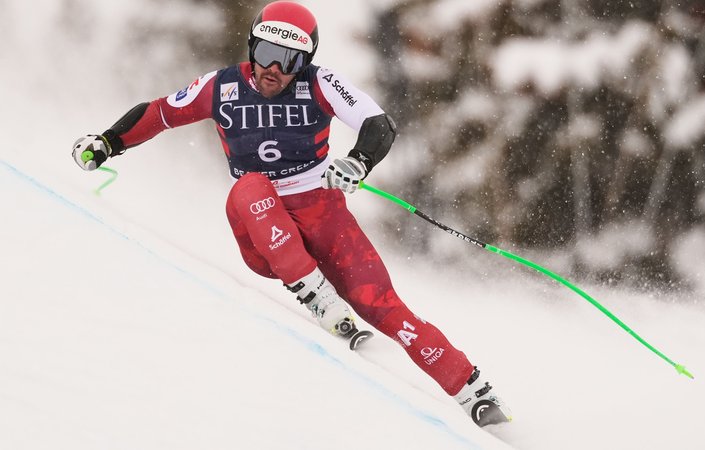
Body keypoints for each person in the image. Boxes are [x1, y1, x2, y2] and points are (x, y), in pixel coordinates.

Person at [71, 1, 511, 428]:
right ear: (251, 48)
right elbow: (160, 113)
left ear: (306, 60)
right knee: (250, 185)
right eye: (264, 54)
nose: (272, 70)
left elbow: (378, 123)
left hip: (322, 212)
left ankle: (472, 390)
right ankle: (311, 289)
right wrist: (109, 142)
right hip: (261, 228)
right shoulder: (221, 86)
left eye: (288, 60)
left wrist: (358, 161)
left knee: (383, 305)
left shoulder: (320, 83)